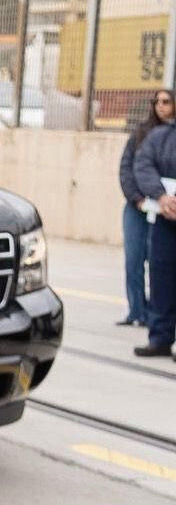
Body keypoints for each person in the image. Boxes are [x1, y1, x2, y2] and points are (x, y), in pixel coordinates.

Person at [117, 89, 173, 327]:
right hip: (138, 206)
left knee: (159, 263)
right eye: (156, 101)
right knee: (133, 260)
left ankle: (156, 313)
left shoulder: (170, 137)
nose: (160, 106)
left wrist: (164, 199)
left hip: (166, 209)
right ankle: (136, 311)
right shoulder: (141, 132)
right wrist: (138, 199)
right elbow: (127, 168)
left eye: (166, 101)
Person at [132, 110, 176, 360]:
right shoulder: (161, 136)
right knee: (161, 278)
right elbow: (143, 164)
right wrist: (161, 196)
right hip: (164, 219)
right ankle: (159, 338)